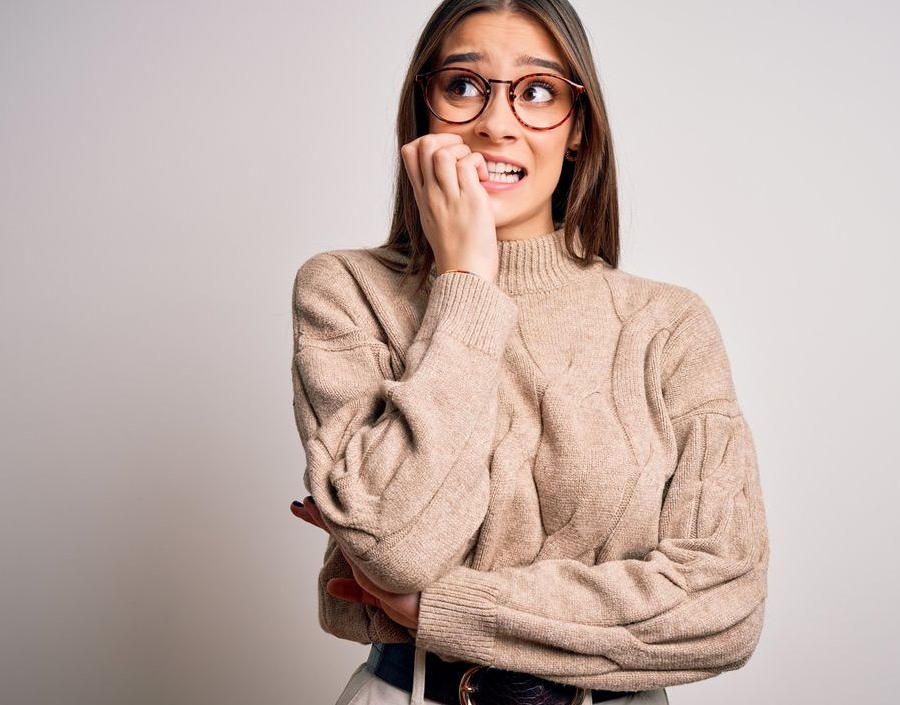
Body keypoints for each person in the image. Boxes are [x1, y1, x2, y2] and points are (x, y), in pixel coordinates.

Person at [288, 1, 770, 703]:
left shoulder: (668, 325)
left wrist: (448, 609)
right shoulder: (345, 292)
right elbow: (398, 548)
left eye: (538, 91)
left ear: (578, 129)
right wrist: (466, 283)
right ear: (424, 111)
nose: (495, 122)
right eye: (463, 85)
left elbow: (725, 604)